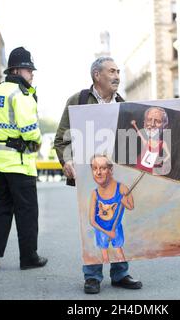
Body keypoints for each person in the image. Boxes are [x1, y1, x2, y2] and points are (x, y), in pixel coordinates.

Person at [54, 56, 142, 294]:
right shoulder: (79, 100)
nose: (117, 76)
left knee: (118, 219)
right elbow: (62, 137)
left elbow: (131, 144)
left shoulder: (124, 104)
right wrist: (67, 160)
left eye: (118, 71)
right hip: (88, 175)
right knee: (92, 222)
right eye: (112, 71)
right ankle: (92, 276)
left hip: (115, 174)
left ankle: (120, 273)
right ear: (97, 75)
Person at [0, 47, 47, 270]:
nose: (32, 75)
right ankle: (29, 258)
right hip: (19, 162)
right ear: (18, 70)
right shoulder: (21, 94)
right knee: (27, 211)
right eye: (29, 70)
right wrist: (37, 139)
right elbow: (30, 130)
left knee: (2, 207)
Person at [89, 154, 134, 264]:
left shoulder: (122, 188)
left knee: (119, 253)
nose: (98, 172)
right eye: (95, 168)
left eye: (103, 168)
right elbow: (92, 221)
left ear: (110, 170)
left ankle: (121, 274)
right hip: (101, 229)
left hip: (116, 228)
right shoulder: (95, 194)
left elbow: (131, 206)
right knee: (104, 256)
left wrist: (124, 201)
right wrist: (108, 233)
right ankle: (97, 275)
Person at [131, 107, 171, 176]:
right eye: (149, 120)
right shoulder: (146, 142)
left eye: (158, 121)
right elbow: (139, 132)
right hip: (139, 168)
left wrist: (163, 160)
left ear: (164, 126)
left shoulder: (163, 143)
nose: (152, 124)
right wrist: (134, 125)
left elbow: (168, 155)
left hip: (150, 170)